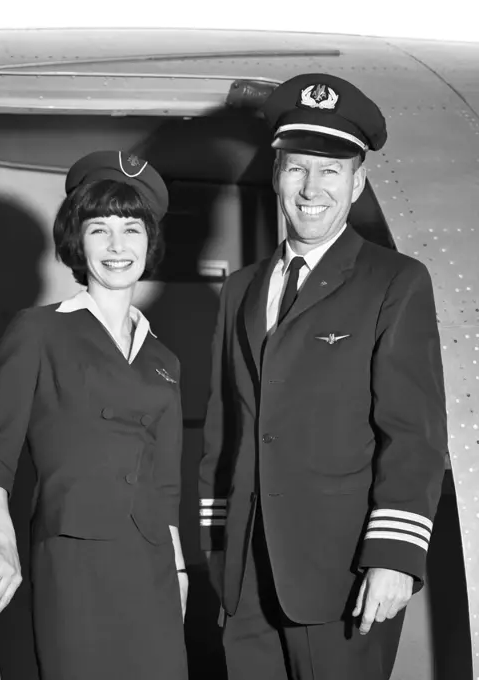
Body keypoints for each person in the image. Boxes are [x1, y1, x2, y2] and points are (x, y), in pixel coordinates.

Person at [198, 74, 447, 680]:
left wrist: (393, 557)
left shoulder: (395, 282)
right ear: (277, 175)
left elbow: (412, 433)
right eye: (297, 168)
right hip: (247, 576)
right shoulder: (242, 289)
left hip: (343, 574)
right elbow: (223, 426)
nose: (311, 188)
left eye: (331, 170)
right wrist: (217, 547)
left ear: (357, 182)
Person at [0, 151, 188, 680]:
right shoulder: (39, 331)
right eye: (100, 229)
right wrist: (0, 541)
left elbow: (165, 480)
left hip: (152, 567)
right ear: (78, 241)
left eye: (132, 229)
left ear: (150, 242)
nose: (118, 246)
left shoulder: (164, 358)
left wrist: (180, 567)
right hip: (73, 558)